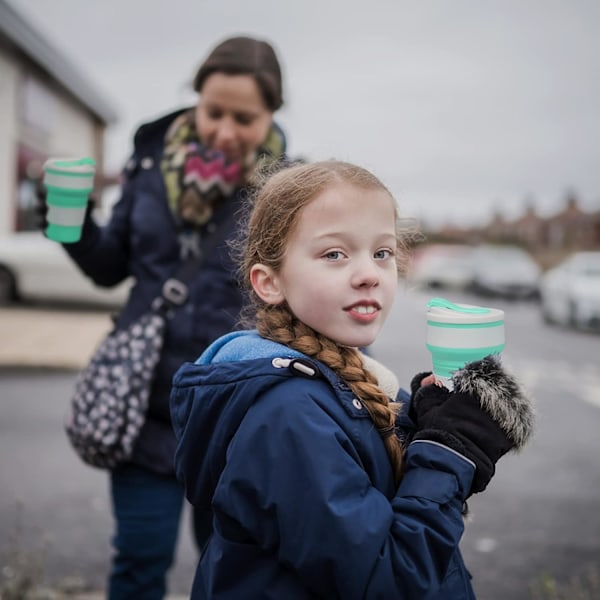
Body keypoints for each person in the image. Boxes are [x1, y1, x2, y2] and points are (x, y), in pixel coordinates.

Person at [170, 160, 535, 599]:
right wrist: (447, 454)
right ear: (270, 282)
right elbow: (388, 582)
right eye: (334, 254)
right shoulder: (287, 417)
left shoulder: (352, 384)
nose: (369, 274)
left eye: (382, 253)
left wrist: (420, 426)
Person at [38, 35, 292, 599]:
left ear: (272, 114)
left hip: (238, 418)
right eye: (214, 112)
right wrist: (69, 221)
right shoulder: (149, 164)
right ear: (196, 100)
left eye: (244, 118)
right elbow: (109, 267)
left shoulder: (288, 192)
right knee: (138, 563)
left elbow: (306, 296)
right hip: (147, 409)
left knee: (232, 573)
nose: (225, 131)